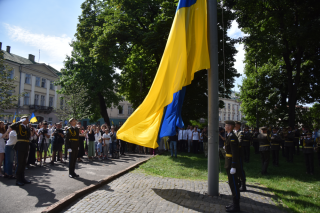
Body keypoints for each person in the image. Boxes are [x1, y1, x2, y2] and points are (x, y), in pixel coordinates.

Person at [224, 120, 241, 212]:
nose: (225, 126)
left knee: (234, 184)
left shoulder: (232, 137)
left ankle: (236, 206)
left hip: (231, 163)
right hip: (229, 162)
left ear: (230, 126)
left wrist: (233, 166)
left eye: (226, 125)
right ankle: (234, 203)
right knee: (231, 184)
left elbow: (235, 152)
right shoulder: (230, 136)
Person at [10, 116, 31, 186]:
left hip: (26, 145)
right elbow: (11, 126)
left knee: (24, 163)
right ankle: (18, 179)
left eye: (27, 119)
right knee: (19, 163)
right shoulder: (19, 126)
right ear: (23, 120)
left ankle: (23, 178)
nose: (28, 120)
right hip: (20, 145)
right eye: (26, 119)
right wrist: (20, 121)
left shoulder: (27, 127)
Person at [234, 121, 247, 192]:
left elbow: (239, 142)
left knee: (240, 169)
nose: (234, 126)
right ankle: (238, 183)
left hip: (239, 154)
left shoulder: (240, 133)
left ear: (238, 126)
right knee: (236, 168)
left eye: (235, 125)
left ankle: (243, 185)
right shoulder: (234, 132)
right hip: (234, 153)